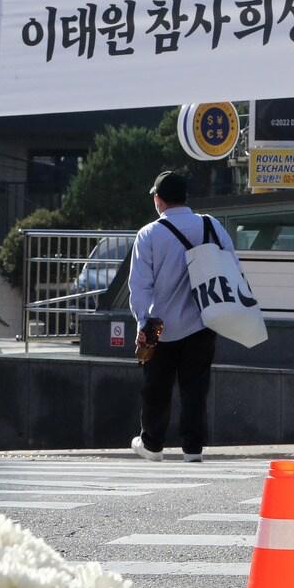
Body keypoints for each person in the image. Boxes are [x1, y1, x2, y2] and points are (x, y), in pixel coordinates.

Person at [129, 171, 235, 463]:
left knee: (156, 387)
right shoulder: (210, 224)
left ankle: (152, 444)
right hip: (203, 321)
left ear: (158, 200)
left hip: (159, 326)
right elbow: (230, 265)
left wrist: (142, 324)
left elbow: (140, 286)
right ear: (186, 197)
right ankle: (193, 448)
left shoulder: (149, 234)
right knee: (195, 388)